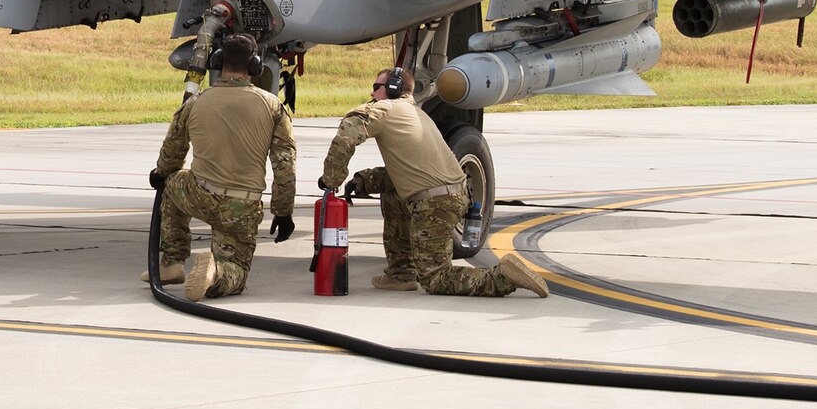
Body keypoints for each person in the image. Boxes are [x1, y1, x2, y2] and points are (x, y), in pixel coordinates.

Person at [319, 68, 548, 299]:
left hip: (435, 204)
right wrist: (364, 181)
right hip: (449, 196)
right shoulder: (413, 112)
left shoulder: (386, 108)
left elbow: (347, 133)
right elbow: (410, 171)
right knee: (392, 192)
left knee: (436, 279)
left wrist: (331, 180)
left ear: (392, 88)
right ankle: (401, 274)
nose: (372, 92)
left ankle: (503, 277)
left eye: (376, 87)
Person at [149, 33, 297, 300]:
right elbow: (285, 167)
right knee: (236, 271)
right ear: (255, 66)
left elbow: (171, 153)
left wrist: (160, 173)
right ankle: (216, 274)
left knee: (171, 183)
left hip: (200, 193)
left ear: (217, 62)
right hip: (243, 205)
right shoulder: (273, 106)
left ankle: (172, 261)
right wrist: (283, 212)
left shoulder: (195, 103)